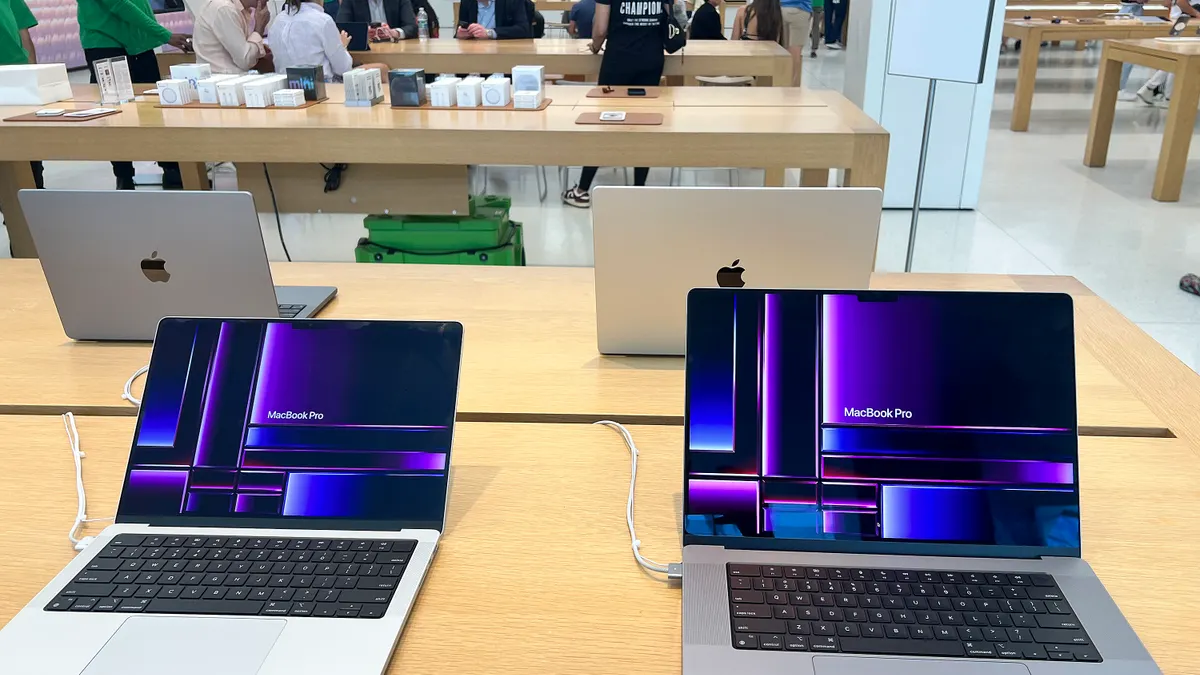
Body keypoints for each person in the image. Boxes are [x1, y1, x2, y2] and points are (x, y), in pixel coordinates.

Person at [562, 0, 667, 208]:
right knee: (644, 124)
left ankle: (582, 190)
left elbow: (600, 29)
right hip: (651, 59)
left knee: (605, 122)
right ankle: (638, 189)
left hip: (619, 60)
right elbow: (669, 18)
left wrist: (595, 46)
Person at [77, 0, 190, 189]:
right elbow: (119, 5)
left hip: (140, 41)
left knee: (155, 110)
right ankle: (124, 175)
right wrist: (165, 35)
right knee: (115, 114)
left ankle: (171, 168)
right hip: (106, 44)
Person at [0, 0, 42, 189]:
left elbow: (23, 31)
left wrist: (31, 71)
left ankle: (34, 194)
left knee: (27, 142)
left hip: (16, 71)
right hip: (15, 73)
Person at [1137, 0, 1200, 105]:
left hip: (1182, 20)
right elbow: (1181, 2)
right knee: (1180, 57)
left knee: (1178, 58)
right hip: (1186, 21)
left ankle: (1154, 89)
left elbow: (1168, 3)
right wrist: (1197, 13)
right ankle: (1163, 94)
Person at [187, 0, 270, 74]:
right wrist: (259, 29)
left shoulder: (232, 8)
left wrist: (257, 46)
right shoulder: (225, 8)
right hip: (223, 83)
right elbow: (245, 60)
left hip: (226, 79)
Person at [336, 0, 418, 40]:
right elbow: (340, 27)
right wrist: (364, 33)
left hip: (397, 49)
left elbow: (412, 26)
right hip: (366, 54)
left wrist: (394, 33)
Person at [456, 0, 531, 39]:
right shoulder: (467, 2)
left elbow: (523, 29)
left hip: (504, 53)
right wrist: (461, 34)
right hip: (474, 53)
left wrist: (490, 33)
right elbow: (462, 26)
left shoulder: (512, 1)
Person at [778, 0, 810, 84]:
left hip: (781, 9)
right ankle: (790, 86)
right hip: (800, 9)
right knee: (795, 51)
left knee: (781, 50)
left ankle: (780, 83)